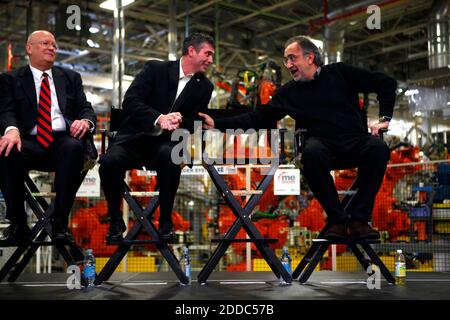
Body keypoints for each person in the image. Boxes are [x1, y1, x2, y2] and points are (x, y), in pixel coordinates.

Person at [199, 35, 397, 240]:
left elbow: (386, 83)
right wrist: (217, 124)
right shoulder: (288, 93)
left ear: (310, 58)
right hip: (321, 148)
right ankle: (337, 220)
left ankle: (359, 219)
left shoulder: (340, 73)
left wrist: (384, 119)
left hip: (354, 141)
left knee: (378, 148)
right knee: (310, 152)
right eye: (286, 60)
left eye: (292, 58)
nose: (288, 65)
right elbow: (259, 118)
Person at [99, 32, 215, 242]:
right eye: (207, 53)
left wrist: (181, 121)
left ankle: (165, 221)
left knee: (171, 158)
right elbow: (131, 102)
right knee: (108, 162)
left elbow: (193, 122)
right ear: (191, 51)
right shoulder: (156, 69)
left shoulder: (205, 87)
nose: (211, 60)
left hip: (165, 144)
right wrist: (159, 118)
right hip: (134, 139)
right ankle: (115, 220)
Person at [0, 30, 97, 244]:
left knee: (73, 148)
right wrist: (11, 130)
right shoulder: (10, 79)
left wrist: (85, 122)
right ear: (29, 48)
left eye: (54, 44)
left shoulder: (70, 77)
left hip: (62, 140)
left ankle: (60, 223)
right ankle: (18, 223)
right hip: (27, 140)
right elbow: (5, 111)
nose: (51, 48)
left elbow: (86, 109)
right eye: (45, 43)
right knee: (6, 151)